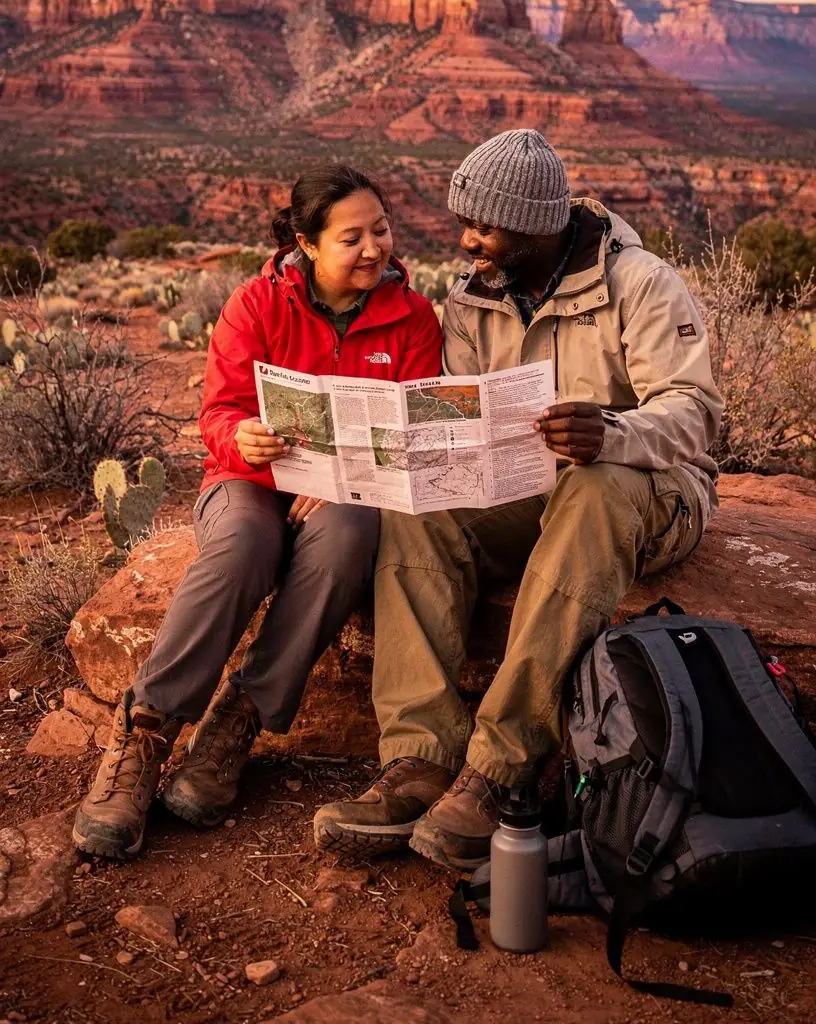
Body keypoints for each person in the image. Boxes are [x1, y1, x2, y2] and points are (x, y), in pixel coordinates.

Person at [314, 129, 722, 871]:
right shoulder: (473, 298)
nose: (467, 241)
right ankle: (419, 759)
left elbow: (696, 413)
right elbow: (466, 417)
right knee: (420, 505)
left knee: (593, 490)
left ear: (538, 224)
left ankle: (499, 769)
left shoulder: (641, 283)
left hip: (648, 487)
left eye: (485, 227)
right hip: (531, 486)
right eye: (464, 223)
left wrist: (614, 431)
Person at [73, 164, 442, 860]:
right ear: (306, 242)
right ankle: (146, 732)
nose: (374, 249)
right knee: (244, 543)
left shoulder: (414, 316)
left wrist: (348, 478)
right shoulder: (256, 304)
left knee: (350, 534)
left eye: (382, 230)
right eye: (352, 237)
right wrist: (241, 438)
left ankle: (235, 723)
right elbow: (218, 412)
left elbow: (413, 435)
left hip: (350, 494)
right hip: (249, 481)